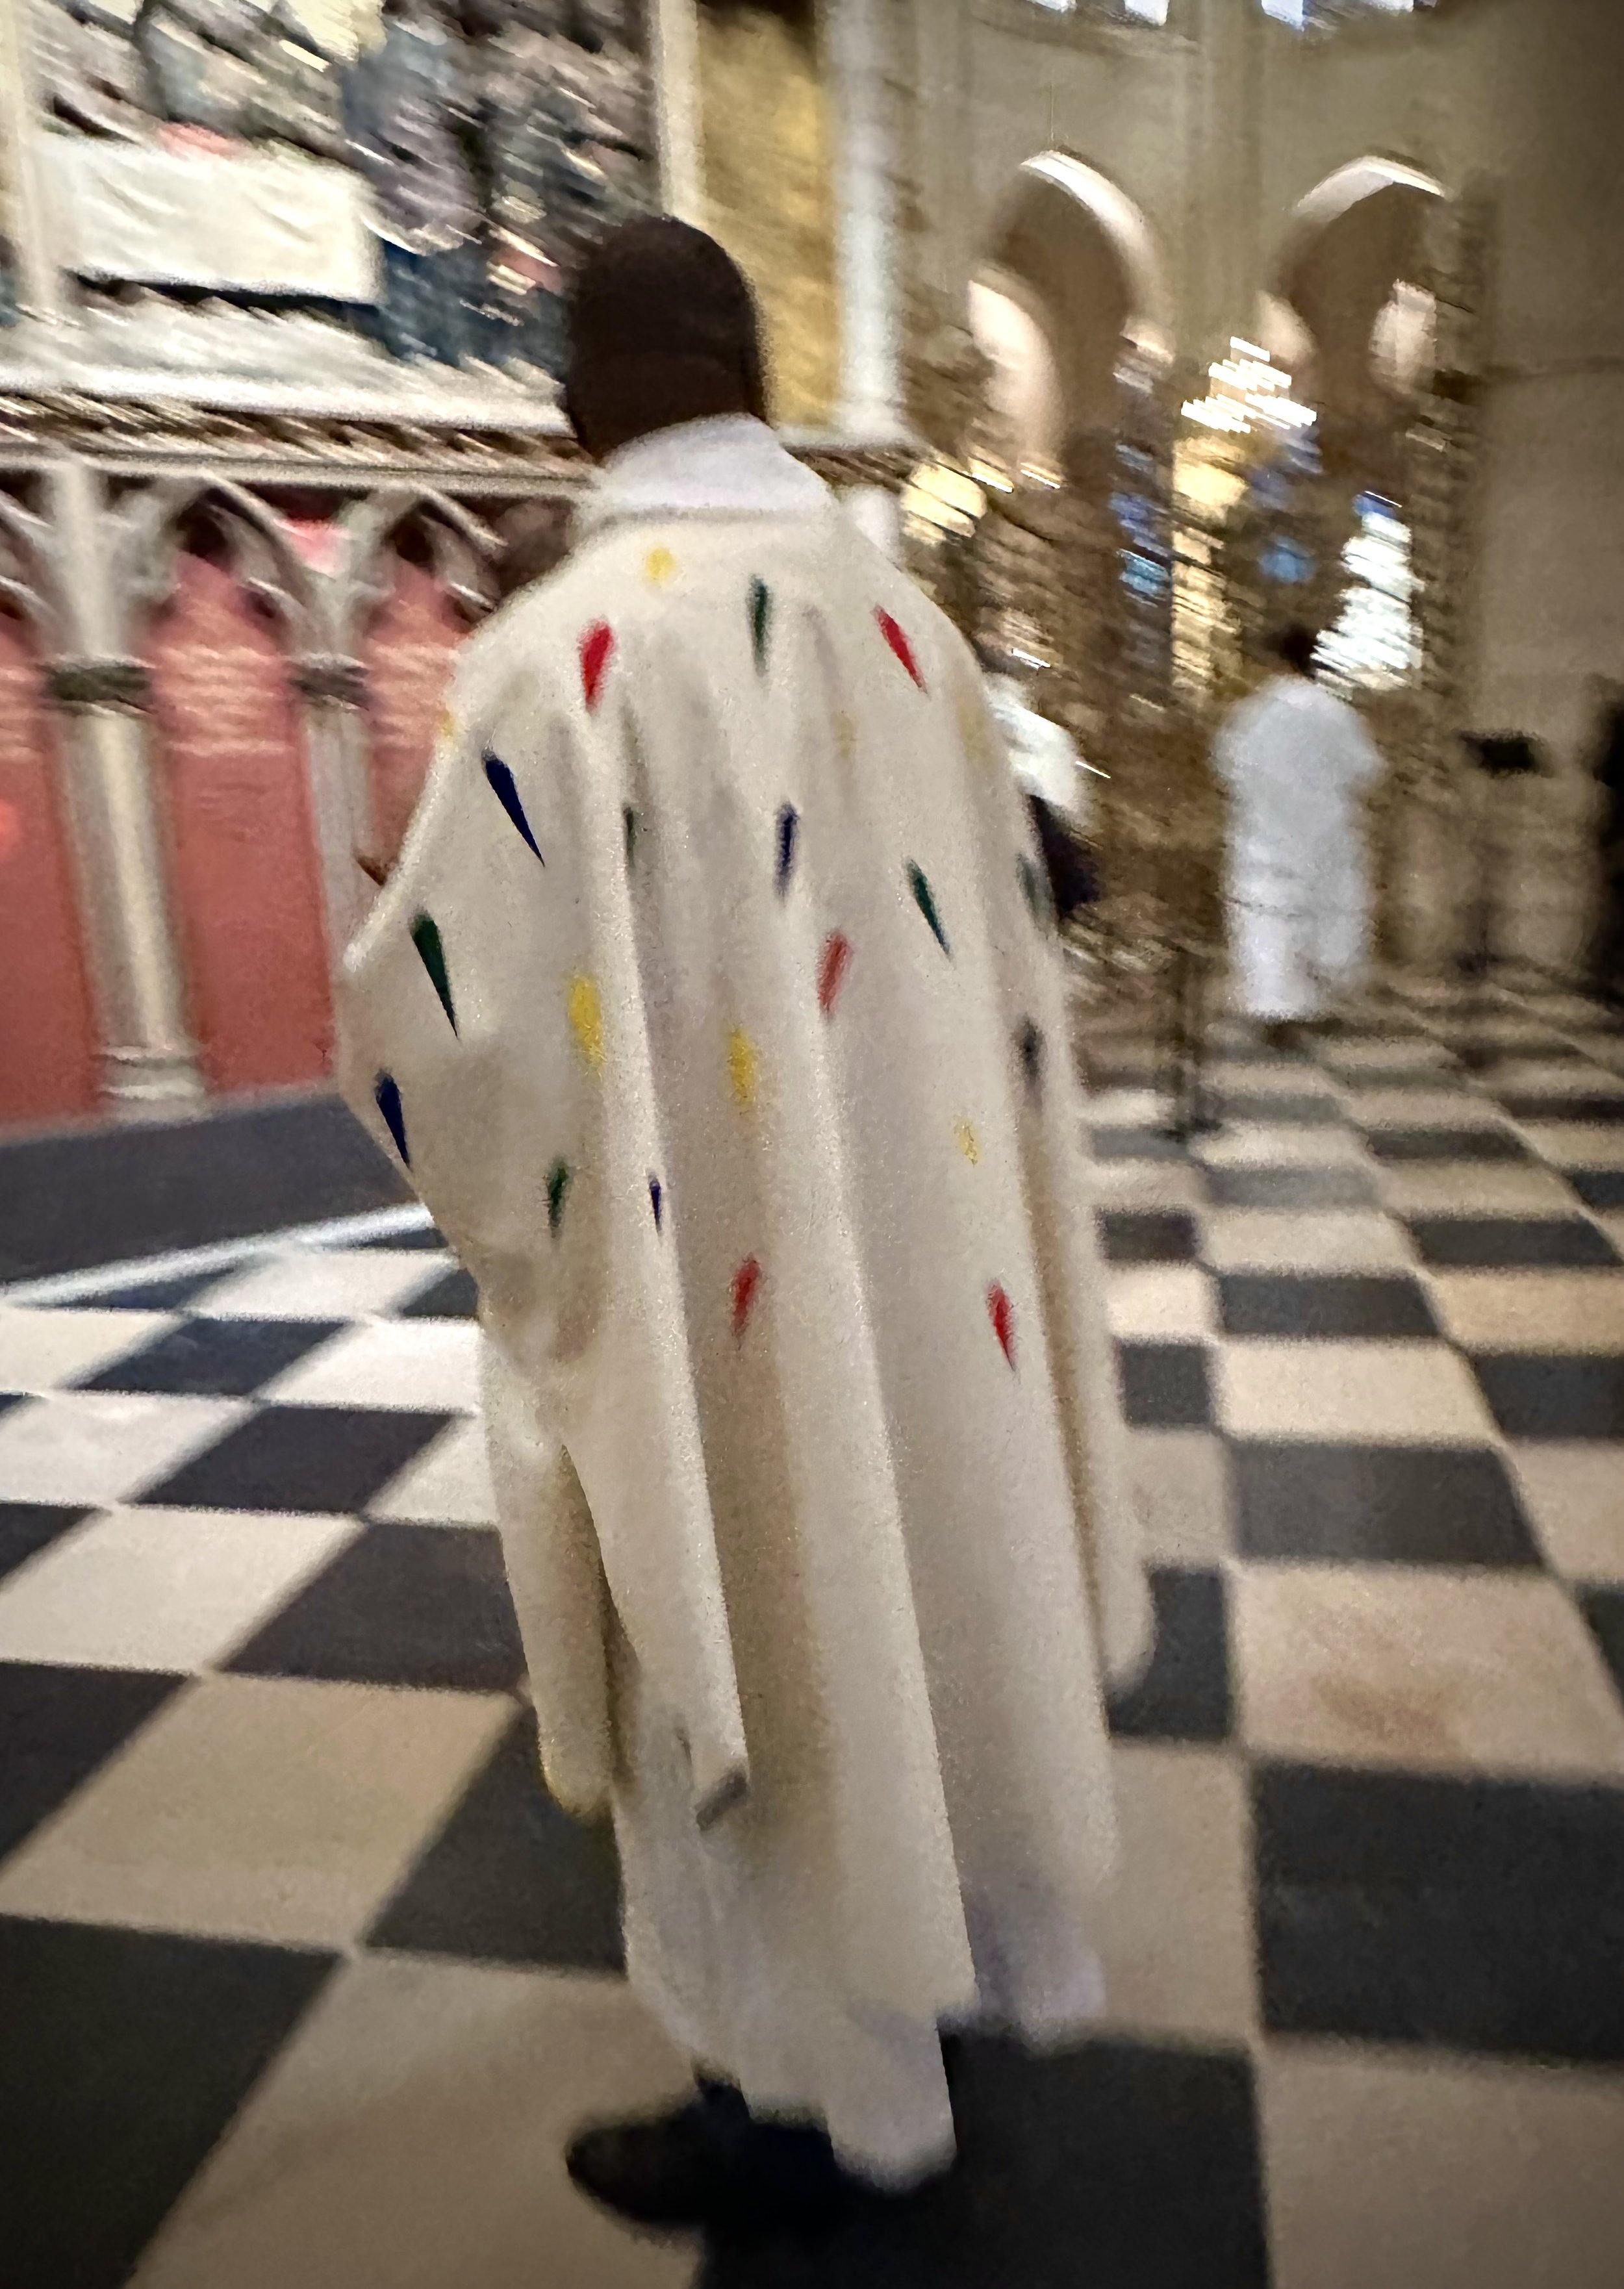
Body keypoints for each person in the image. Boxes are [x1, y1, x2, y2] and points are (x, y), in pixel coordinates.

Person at [336, 218, 1150, 2231]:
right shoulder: (911, 629)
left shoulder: (559, 655)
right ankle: (934, 1966)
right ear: (760, 382)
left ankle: (797, 2102)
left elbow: (441, 1025)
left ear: (575, 402)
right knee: (907, 1571)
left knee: (761, 1607)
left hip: (714, 1287)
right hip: (925, 1265)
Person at [1214, 622, 1383, 1046]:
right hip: (1327, 838)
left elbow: (1229, 766)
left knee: (1268, 924)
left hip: (1266, 838)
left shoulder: (1254, 714)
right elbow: (1367, 770)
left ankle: (1277, 1011)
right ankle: (1319, 1004)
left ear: (1275, 660)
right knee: (1328, 919)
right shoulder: (1337, 713)